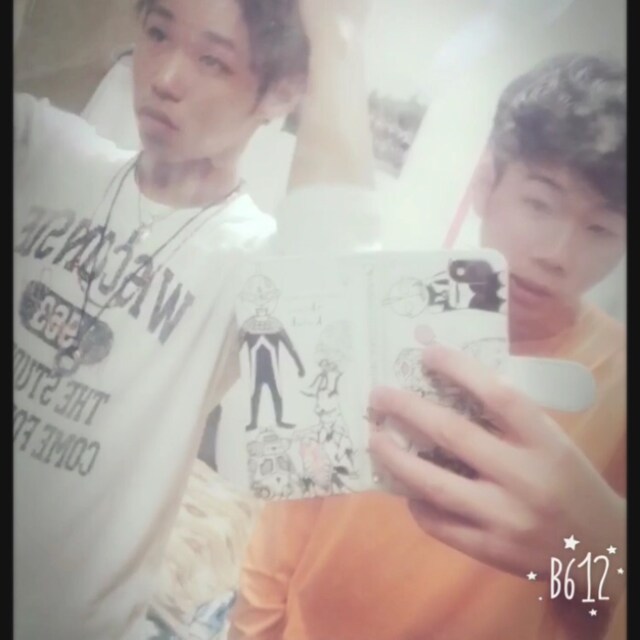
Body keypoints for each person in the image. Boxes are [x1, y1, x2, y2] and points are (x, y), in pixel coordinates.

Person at [229, 53, 627, 640]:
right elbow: (293, 510)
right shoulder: (381, 303)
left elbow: (589, 608)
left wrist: (596, 559)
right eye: (541, 204)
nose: (558, 255)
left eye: (602, 230)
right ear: (486, 183)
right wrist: (252, 630)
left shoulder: (618, 388)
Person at [13, 1, 377, 638]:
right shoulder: (45, 153)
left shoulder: (249, 261)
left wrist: (334, 36)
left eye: (212, 61)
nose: (164, 77)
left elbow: (332, 282)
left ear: (281, 93)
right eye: (157, 34)